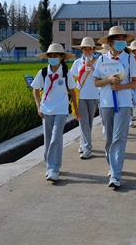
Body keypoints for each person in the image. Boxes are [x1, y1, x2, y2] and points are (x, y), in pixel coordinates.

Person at [93, 26, 136, 189]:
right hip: (106, 104)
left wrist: (120, 87)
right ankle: (112, 164)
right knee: (109, 139)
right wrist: (109, 80)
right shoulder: (102, 60)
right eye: (117, 39)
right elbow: (96, 82)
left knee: (119, 138)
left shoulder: (129, 59)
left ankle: (116, 174)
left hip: (124, 104)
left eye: (122, 39)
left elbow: (135, 82)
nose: (120, 42)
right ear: (110, 41)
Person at [31, 43, 80, 183]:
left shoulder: (66, 73)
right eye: (50, 56)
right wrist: (38, 106)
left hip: (61, 110)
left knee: (56, 138)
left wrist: (76, 109)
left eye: (55, 56)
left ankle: (53, 168)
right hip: (46, 110)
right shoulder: (43, 73)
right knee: (48, 140)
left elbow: (72, 91)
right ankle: (50, 165)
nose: (53, 58)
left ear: (61, 57)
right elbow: (35, 89)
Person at [70, 37, 102, 159]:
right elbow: (71, 77)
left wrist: (91, 67)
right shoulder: (77, 63)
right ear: (82, 50)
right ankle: (87, 148)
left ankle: (83, 143)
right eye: (85, 49)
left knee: (89, 122)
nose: (88, 51)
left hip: (94, 95)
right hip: (81, 96)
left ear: (93, 49)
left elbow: (102, 76)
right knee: (82, 121)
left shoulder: (98, 62)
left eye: (90, 49)